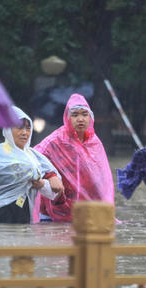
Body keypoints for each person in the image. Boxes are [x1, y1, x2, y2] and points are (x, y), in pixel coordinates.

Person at [0, 106, 63, 224]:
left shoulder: (34, 156)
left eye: (28, 128)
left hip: (23, 214)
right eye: (19, 128)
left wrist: (43, 183)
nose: (24, 132)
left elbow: (55, 189)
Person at [33, 93, 114, 222]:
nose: (80, 119)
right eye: (75, 115)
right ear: (67, 118)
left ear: (90, 118)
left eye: (84, 114)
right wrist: (50, 175)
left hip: (85, 213)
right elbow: (33, 157)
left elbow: (103, 178)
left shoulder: (94, 143)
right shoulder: (56, 141)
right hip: (53, 213)